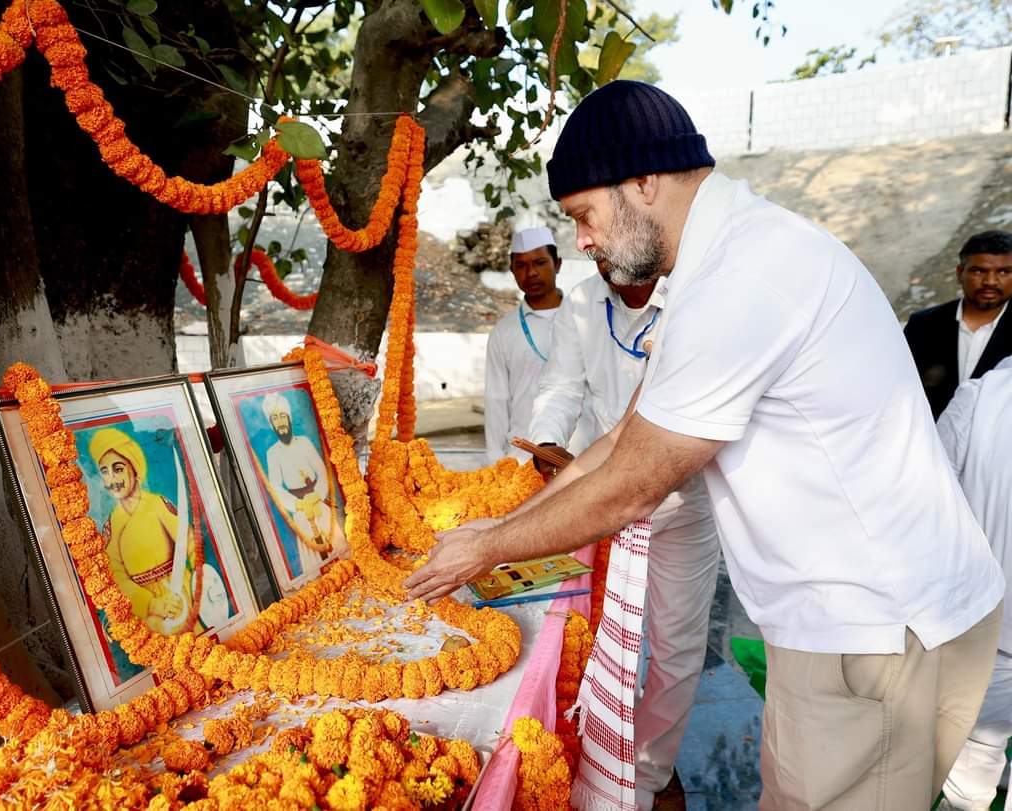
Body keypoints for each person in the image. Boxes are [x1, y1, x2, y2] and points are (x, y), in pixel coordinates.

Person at [405, 80, 1004, 811]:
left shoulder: (741, 276)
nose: (582, 242)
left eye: (585, 216)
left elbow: (632, 483)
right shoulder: (727, 256)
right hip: (875, 618)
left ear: (644, 182)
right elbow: (627, 432)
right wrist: (496, 529)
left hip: (872, 632)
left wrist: (486, 548)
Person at [528, 260, 719, 807]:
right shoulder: (585, 303)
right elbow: (561, 386)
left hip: (686, 497)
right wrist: (548, 444)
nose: (598, 252)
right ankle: (596, 750)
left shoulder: (690, 298)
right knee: (597, 636)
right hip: (604, 497)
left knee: (678, 646)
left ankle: (649, 773)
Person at [937, 355, 1012, 810]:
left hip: (988, 623)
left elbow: (931, 506)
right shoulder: (979, 397)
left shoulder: (982, 397)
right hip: (988, 628)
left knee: (971, 765)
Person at [89, 427, 214, 636]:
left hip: (182, 599)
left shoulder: (157, 505)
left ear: (134, 470)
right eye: (105, 471)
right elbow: (117, 577)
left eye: (118, 469)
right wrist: (152, 604)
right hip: (150, 615)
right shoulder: (112, 525)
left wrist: (198, 585)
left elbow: (191, 544)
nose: (112, 479)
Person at [484, 226, 589, 463]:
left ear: (558, 264)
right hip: (523, 458)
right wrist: (494, 462)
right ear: (512, 271)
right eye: (521, 266)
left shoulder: (586, 318)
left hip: (582, 455)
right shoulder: (504, 331)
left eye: (540, 262)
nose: (531, 272)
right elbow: (496, 400)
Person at [904, 230, 1012, 418]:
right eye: (979, 271)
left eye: (1004, 272)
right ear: (959, 273)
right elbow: (903, 390)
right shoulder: (923, 325)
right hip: (931, 441)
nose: (990, 281)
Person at [262, 392, 335, 569]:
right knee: (314, 558)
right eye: (275, 419)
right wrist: (298, 504)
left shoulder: (304, 442)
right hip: (301, 510)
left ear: (289, 419)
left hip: (319, 503)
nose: (280, 422)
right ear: (272, 425)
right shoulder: (273, 453)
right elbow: (277, 488)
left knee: (334, 545)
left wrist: (317, 495)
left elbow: (321, 470)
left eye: (282, 417)